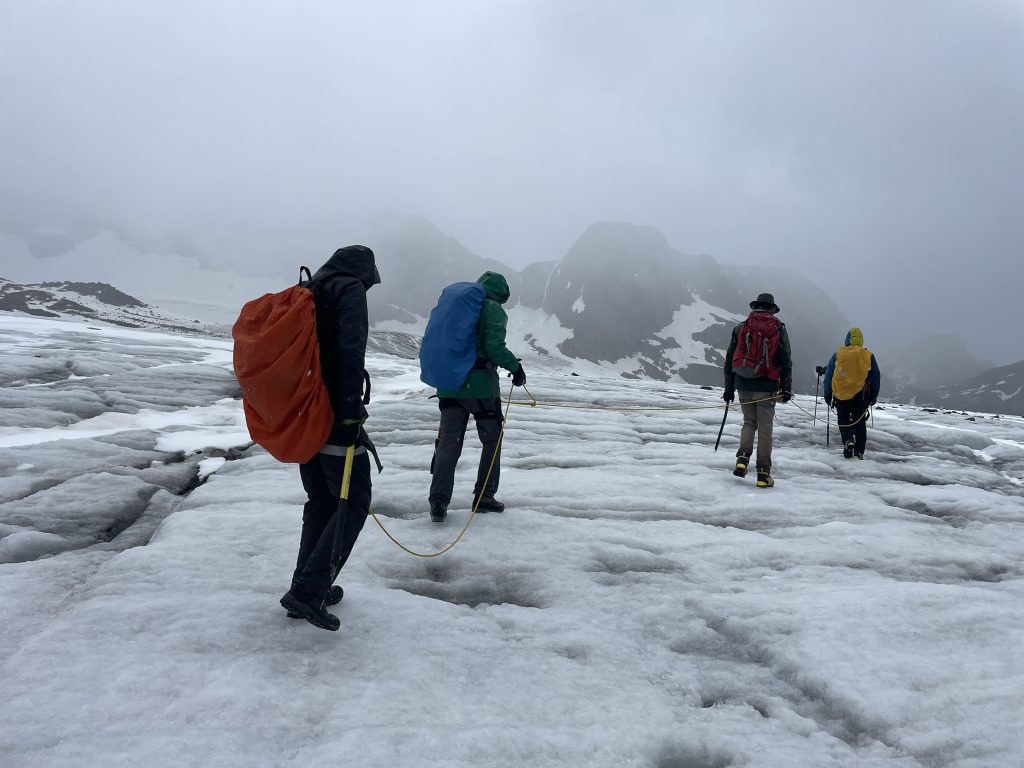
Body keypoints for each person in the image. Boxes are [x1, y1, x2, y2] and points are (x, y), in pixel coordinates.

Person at [279, 245, 381, 631]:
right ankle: (308, 592)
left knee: (321, 501)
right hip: (334, 416)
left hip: (304, 414)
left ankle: (306, 585)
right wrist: (351, 414)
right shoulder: (349, 289)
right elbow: (349, 355)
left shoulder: (310, 290)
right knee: (353, 501)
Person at [428, 271, 525, 522]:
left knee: (448, 443)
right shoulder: (493, 308)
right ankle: (484, 497)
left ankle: (438, 502)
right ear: (502, 292)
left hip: (449, 385)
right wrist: (516, 368)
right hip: (480, 386)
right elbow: (494, 347)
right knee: (492, 440)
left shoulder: (460, 307)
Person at [723, 292, 793, 488]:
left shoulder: (740, 328)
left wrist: (729, 387)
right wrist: (786, 388)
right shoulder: (778, 328)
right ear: (771, 309)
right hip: (766, 386)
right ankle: (763, 473)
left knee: (748, 423)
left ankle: (742, 460)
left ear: (755, 307)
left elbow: (729, 359)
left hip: (743, 383)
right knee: (765, 429)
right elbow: (786, 360)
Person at [823, 327, 881, 460]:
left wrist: (827, 394)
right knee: (859, 422)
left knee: (843, 419)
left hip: (840, 394)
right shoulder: (868, 355)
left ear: (847, 339)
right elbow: (876, 376)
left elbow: (829, 374)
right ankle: (859, 452)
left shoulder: (839, 353)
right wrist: (873, 396)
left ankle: (848, 441)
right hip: (861, 395)